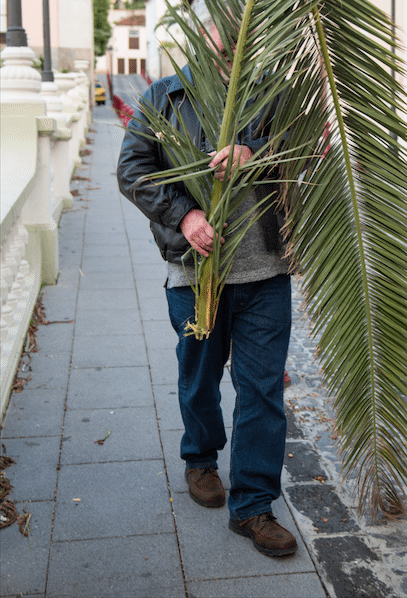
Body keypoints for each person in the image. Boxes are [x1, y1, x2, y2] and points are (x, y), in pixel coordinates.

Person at [116, 59, 298, 558]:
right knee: (199, 378)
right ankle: (200, 457)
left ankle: (254, 507)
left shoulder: (271, 93)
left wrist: (253, 153)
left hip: (266, 272)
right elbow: (132, 169)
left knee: (262, 391)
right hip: (195, 276)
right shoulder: (165, 97)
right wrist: (185, 214)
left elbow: (299, 153)